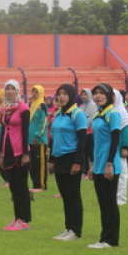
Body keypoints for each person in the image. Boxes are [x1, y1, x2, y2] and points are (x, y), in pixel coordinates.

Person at [49, 84, 87, 240]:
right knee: (64, 195)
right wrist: (51, 159)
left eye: (65, 94)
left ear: (71, 96)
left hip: (71, 158)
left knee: (73, 195)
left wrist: (78, 162)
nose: (61, 97)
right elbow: (53, 138)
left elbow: (82, 140)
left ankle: (76, 230)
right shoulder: (58, 114)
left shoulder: (77, 114)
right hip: (59, 159)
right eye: (59, 94)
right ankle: (68, 227)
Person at [88, 83, 122, 249]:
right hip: (99, 164)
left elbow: (115, 139)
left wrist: (109, 163)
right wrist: (93, 164)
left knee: (109, 202)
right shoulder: (97, 115)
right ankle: (104, 237)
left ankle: (111, 239)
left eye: (102, 93)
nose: (98, 96)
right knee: (102, 202)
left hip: (109, 164)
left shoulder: (113, 114)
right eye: (96, 93)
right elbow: (96, 143)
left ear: (109, 96)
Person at [0, 80, 32, 231]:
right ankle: (17, 217)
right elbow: (4, 131)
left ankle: (23, 219)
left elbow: (25, 132)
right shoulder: (5, 109)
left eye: (12, 89)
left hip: (19, 151)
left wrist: (25, 153)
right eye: (7, 89)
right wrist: (2, 153)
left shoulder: (23, 108)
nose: (9, 91)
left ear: (17, 91)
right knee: (13, 186)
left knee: (21, 186)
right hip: (8, 149)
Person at [28, 85, 49, 193]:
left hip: (39, 140)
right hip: (31, 140)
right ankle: (35, 185)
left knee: (40, 164)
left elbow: (44, 122)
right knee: (33, 164)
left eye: (36, 92)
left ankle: (42, 185)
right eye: (33, 91)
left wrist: (38, 135)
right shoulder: (32, 104)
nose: (34, 94)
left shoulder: (42, 105)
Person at [114, 89, 128, 207]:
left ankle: (121, 198)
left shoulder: (121, 111)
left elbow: (126, 131)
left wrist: (125, 147)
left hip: (119, 148)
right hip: (110, 149)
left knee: (122, 175)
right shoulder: (107, 111)